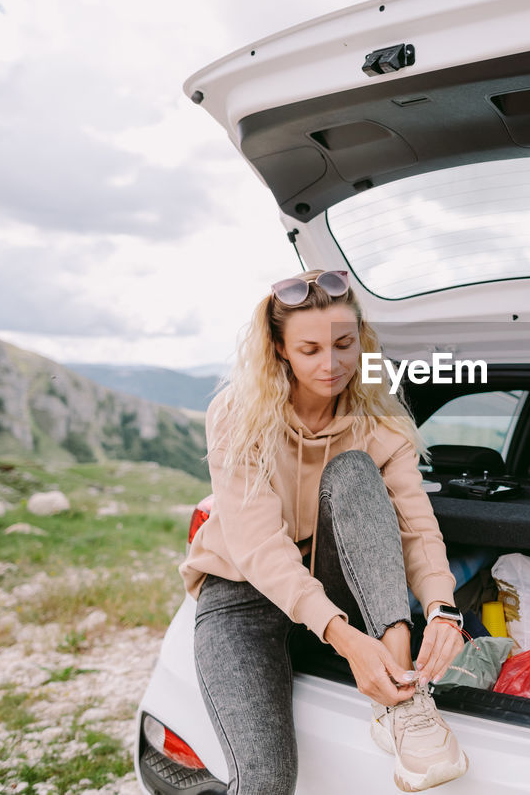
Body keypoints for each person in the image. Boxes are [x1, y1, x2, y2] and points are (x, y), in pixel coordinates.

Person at [179, 269, 469, 793]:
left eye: (344, 344)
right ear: (279, 349)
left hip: (333, 579)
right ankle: (381, 672)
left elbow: (416, 527)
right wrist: (347, 642)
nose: (331, 365)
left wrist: (444, 609)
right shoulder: (238, 415)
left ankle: (403, 702)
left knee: (355, 471)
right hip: (244, 593)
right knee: (266, 781)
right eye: (310, 349)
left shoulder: (381, 423)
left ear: (363, 340)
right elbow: (258, 547)